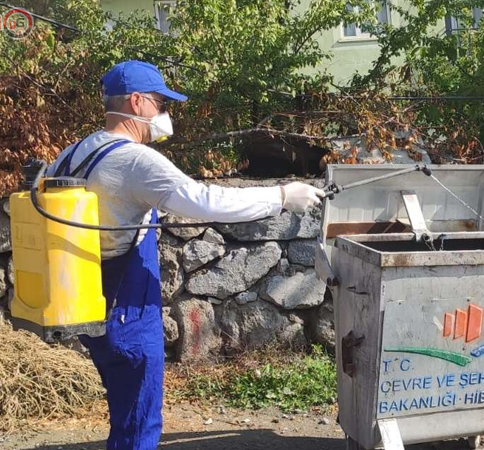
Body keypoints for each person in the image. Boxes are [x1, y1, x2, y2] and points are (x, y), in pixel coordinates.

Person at [46, 60, 324, 450]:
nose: (165, 113)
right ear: (137, 102)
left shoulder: (74, 152)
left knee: (125, 412)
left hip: (86, 298)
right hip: (125, 309)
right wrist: (280, 197)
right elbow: (205, 200)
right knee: (140, 421)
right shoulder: (133, 160)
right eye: (161, 103)